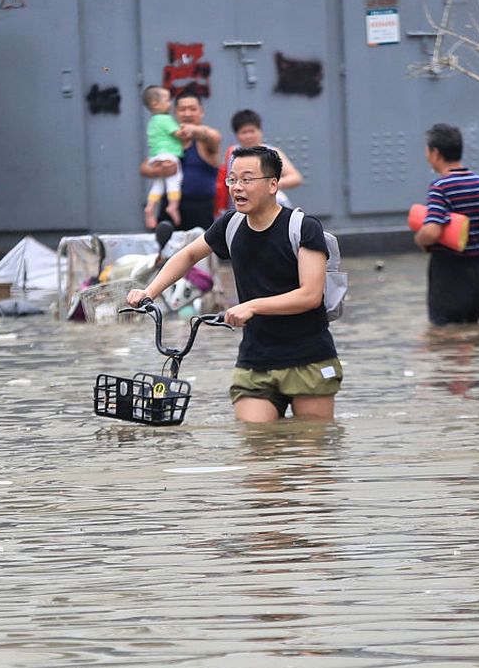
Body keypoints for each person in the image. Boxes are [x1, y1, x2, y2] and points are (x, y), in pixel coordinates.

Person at [128, 145, 342, 423]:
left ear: (273, 185)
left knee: (309, 449)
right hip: (255, 362)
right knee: (255, 446)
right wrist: (149, 292)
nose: (237, 187)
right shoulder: (230, 225)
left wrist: (252, 306)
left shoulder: (302, 228)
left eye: (247, 179)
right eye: (232, 179)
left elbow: (310, 295)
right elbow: (189, 254)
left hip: (309, 360)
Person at [413, 123, 479, 327]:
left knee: (445, 345)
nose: (427, 155)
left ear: (436, 153)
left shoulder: (440, 187)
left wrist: (419, 239)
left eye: (427, 150)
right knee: (473, 342)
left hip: (449, 279)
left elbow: (432, 231)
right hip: (478, 279)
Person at [139, 92, 221, 232]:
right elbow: (144, 167)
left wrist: (194, 130)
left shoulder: (205, 140)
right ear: (175, 113)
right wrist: (158, 171)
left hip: (199, 210)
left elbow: (213, 136)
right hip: (168, 207)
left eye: (192, 109)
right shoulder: (168, 140)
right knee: (166, 253)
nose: (187, 114)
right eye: (182, 109)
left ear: (201, 112)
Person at [215, 109, 304, 216]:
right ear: (236, 135)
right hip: (238, 210)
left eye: (252, 131)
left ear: (260, 131)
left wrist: (264, 186)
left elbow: (296, 178)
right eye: (244, 132)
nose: (248, 136)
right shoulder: (231, 153)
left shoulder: (271, 153)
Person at [141, 85, 183, 230]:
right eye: (167, 100)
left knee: (158, 184)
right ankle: (173, 206)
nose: (170, 103)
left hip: (155, 156)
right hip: (169, 155)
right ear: (155, 104)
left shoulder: (152, 121)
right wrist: (185, 131)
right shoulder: (166, 119)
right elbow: (178, 134)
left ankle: (150, 207)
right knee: (174, 179)